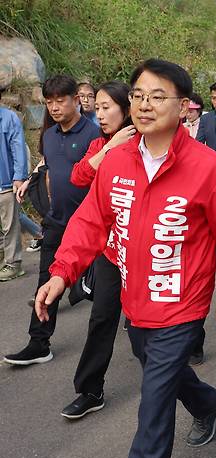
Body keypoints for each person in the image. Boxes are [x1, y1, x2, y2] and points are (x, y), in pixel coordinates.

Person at [34, 58, 216, 458]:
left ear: (185, 107)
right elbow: (90, 222)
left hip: (182, 303)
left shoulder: (209, 169)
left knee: (154, 403)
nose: (143, 105)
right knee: (153, 362)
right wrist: (61, 272)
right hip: (134, 299)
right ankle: (207, 403)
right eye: (138, 95)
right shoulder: (116, 161)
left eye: (158, 97)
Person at [3, 75, 99, 365]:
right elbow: (48, 167)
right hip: (57, 222)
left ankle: (131, 319)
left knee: (103, 287)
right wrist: (31, 182)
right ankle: (39, 342)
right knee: (46, 280)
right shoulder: (49, 136)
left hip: (90, 226)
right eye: (49, 102)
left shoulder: (94, 135)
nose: (55, 107)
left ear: (75, 99)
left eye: (60, 100)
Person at [60, 80, 136, 419]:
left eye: (107, 107)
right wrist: (110, 148)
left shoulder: (146, 143)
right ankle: (90, 390)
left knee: (148, 334)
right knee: (102, 318)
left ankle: (197, 393)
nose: (99, 114)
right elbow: (78, 177)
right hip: (110, 253)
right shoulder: (98, 144)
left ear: (127, 108)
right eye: (98, 107)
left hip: (148, 253)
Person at [0, 85, 29, 281]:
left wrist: (19, 177)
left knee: (10, 226)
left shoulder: (8, 118)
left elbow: (18, 149)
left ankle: (13, 263)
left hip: (5, 183)